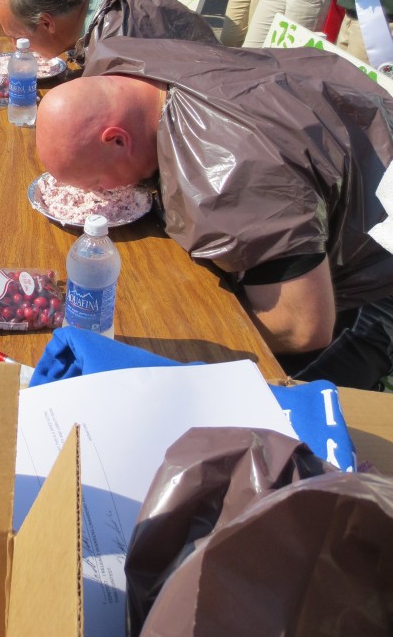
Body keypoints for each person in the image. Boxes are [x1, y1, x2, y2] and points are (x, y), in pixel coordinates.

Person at [35, 36, 393, 390]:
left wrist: (178, 350)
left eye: (98, 182)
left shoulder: (234, 170)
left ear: (117, 139)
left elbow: (301, 328)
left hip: (372, 276)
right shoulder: (132, 60)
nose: (101, 194)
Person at [0, 0, 216, 60]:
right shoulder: (98, 2)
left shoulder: (113, 43)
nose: (16, 48)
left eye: (18, 38)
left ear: (47, 23)